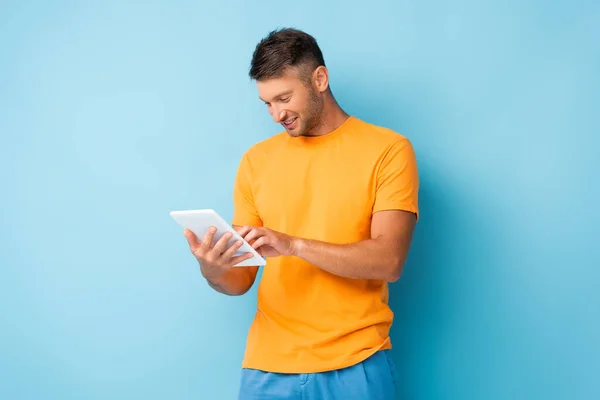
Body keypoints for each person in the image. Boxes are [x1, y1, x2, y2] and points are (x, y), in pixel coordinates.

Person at [183, 28, 419, 400]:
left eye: (283, 98)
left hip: (357, 362)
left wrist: (293, 244)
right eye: (267, 104)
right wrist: (212, 267)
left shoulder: (388, 150)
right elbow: (239, 281)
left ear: (319, 79)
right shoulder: (255, 162)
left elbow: (389, 260)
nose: (277, 114)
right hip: (268, 367)